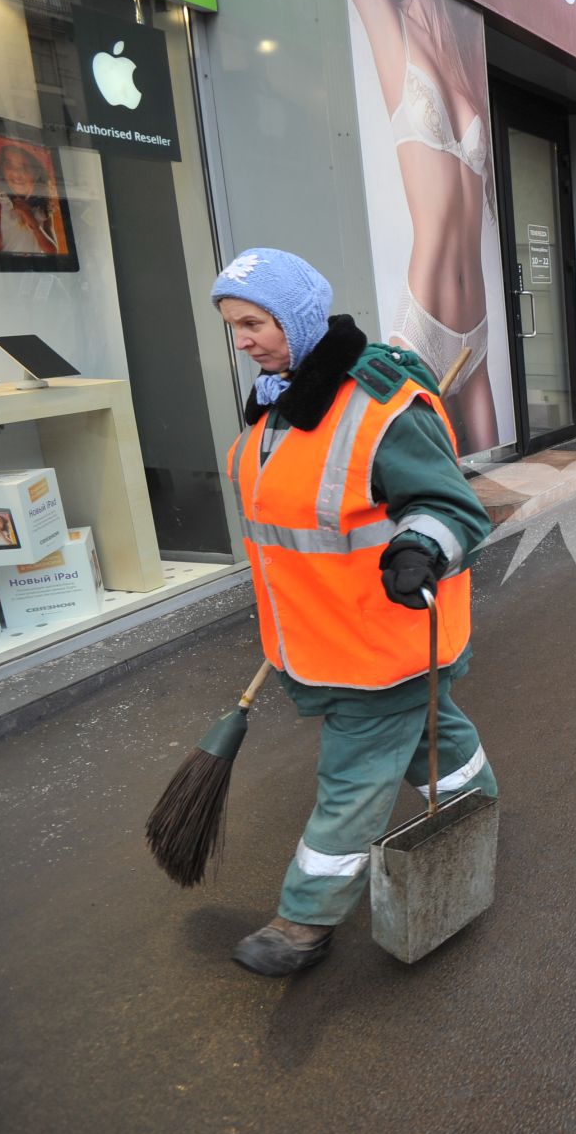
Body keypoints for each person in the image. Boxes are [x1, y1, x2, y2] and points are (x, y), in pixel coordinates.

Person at [212, 247, 494, 977]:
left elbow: (450, 504)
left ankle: (304, 919)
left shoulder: (378, 402)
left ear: (297, 318)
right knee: (434, 731)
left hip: (380, 639)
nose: (242, 339)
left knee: (355, 777)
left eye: (253, 322)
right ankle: (479, 807)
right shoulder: (280, 398)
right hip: (322, 634)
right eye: (232, 325)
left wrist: (419, 547)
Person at [344, 0, 502, 453]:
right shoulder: (393, 29)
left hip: (475, 331)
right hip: (422, 327)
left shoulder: (467, 54)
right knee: (432, 492)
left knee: (500, 491)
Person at [0, 143, 64, 256]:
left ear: (37, 173)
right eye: (9, 164)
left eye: (24, 166)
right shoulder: (0, 199)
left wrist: (29, 216)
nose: (16, 173)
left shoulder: (43, 205)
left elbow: (52, 251)